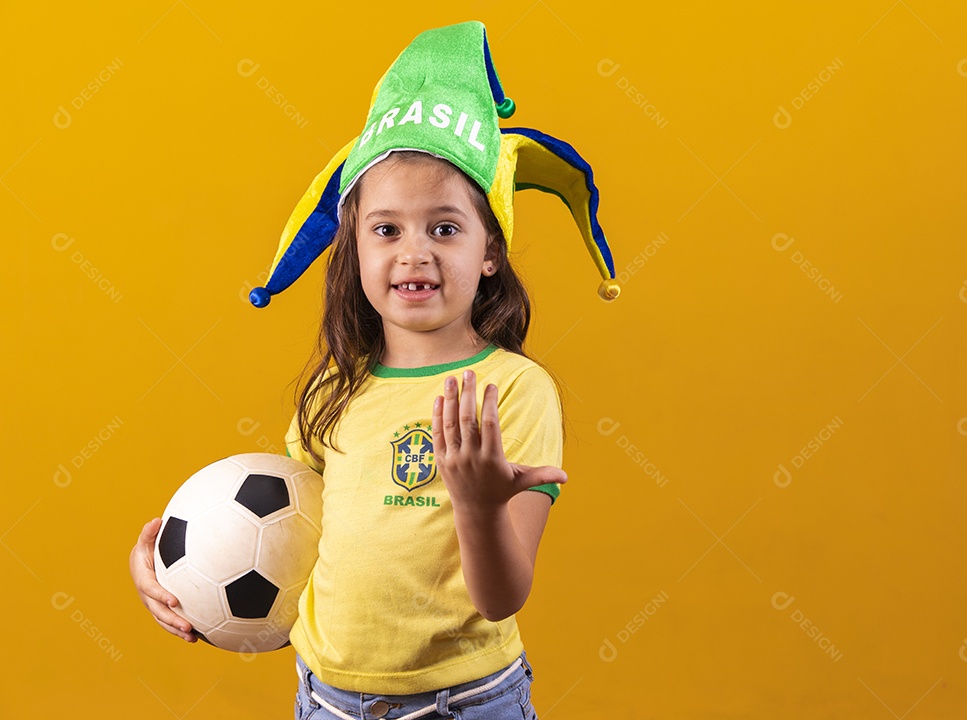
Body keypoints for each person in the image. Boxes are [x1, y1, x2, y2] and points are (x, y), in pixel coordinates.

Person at [130, 20, 620, 720]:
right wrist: (176, 573)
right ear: (354, 247)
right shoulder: (335, 390)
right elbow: (285, 548)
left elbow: (501, 598)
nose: (414, 252)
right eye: (386, 229)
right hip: (325, 700)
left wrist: (478, 505)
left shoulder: (513, 392)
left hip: (465, 702)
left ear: (490, 250)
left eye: (444, 228)